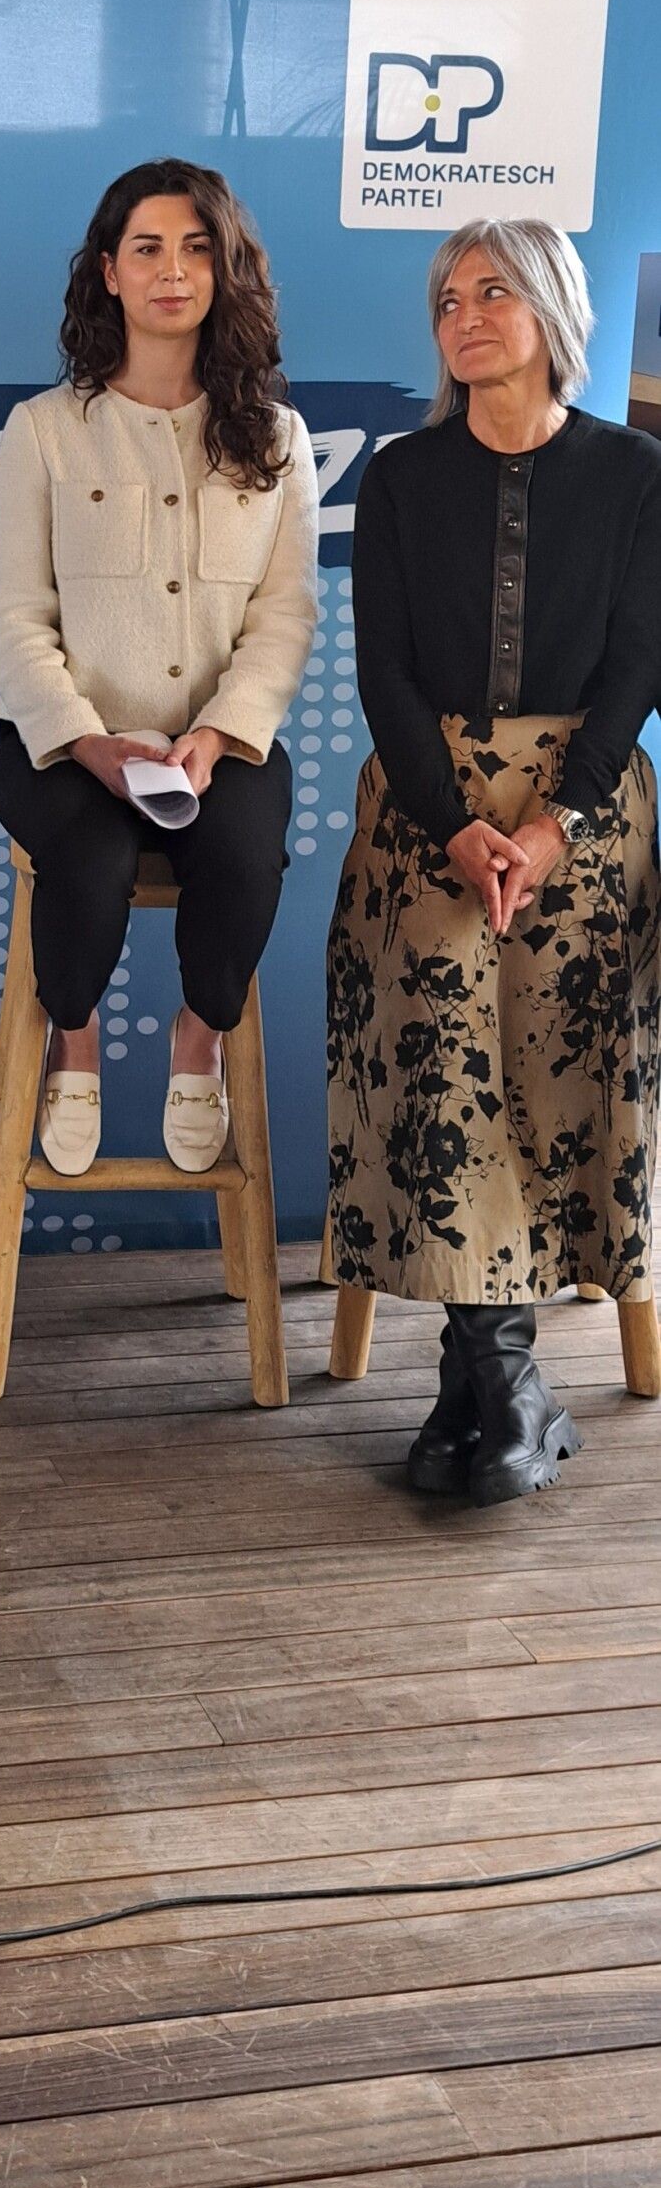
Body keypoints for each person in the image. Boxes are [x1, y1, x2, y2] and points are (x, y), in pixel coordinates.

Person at [328, 219, 661, 1510]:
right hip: (432, 807)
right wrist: (455, 822)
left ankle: (485, 1386)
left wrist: (554, 820)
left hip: (583, 805)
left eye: (494, 292)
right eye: (448, 299)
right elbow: (385, 671)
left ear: (553, 310)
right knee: (443, 1032)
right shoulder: (403, 477)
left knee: (563, 1037)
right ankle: (502, 1378)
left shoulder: (636, 471)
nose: (464, 316)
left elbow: (638, 665)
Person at [0, 159, 318, 1177]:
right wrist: (92, 744)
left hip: (219, 746)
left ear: (227, 268)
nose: (173, 270)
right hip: (65, 747)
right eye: (148, 248)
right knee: (88, 867)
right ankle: (73, 1037)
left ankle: (200, 1037)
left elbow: (284, 616)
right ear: (109, 272)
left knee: (247, 860)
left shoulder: (278, 438)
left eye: (197, 248)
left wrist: (213, 736)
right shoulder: (44, 431)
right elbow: (15, 617)